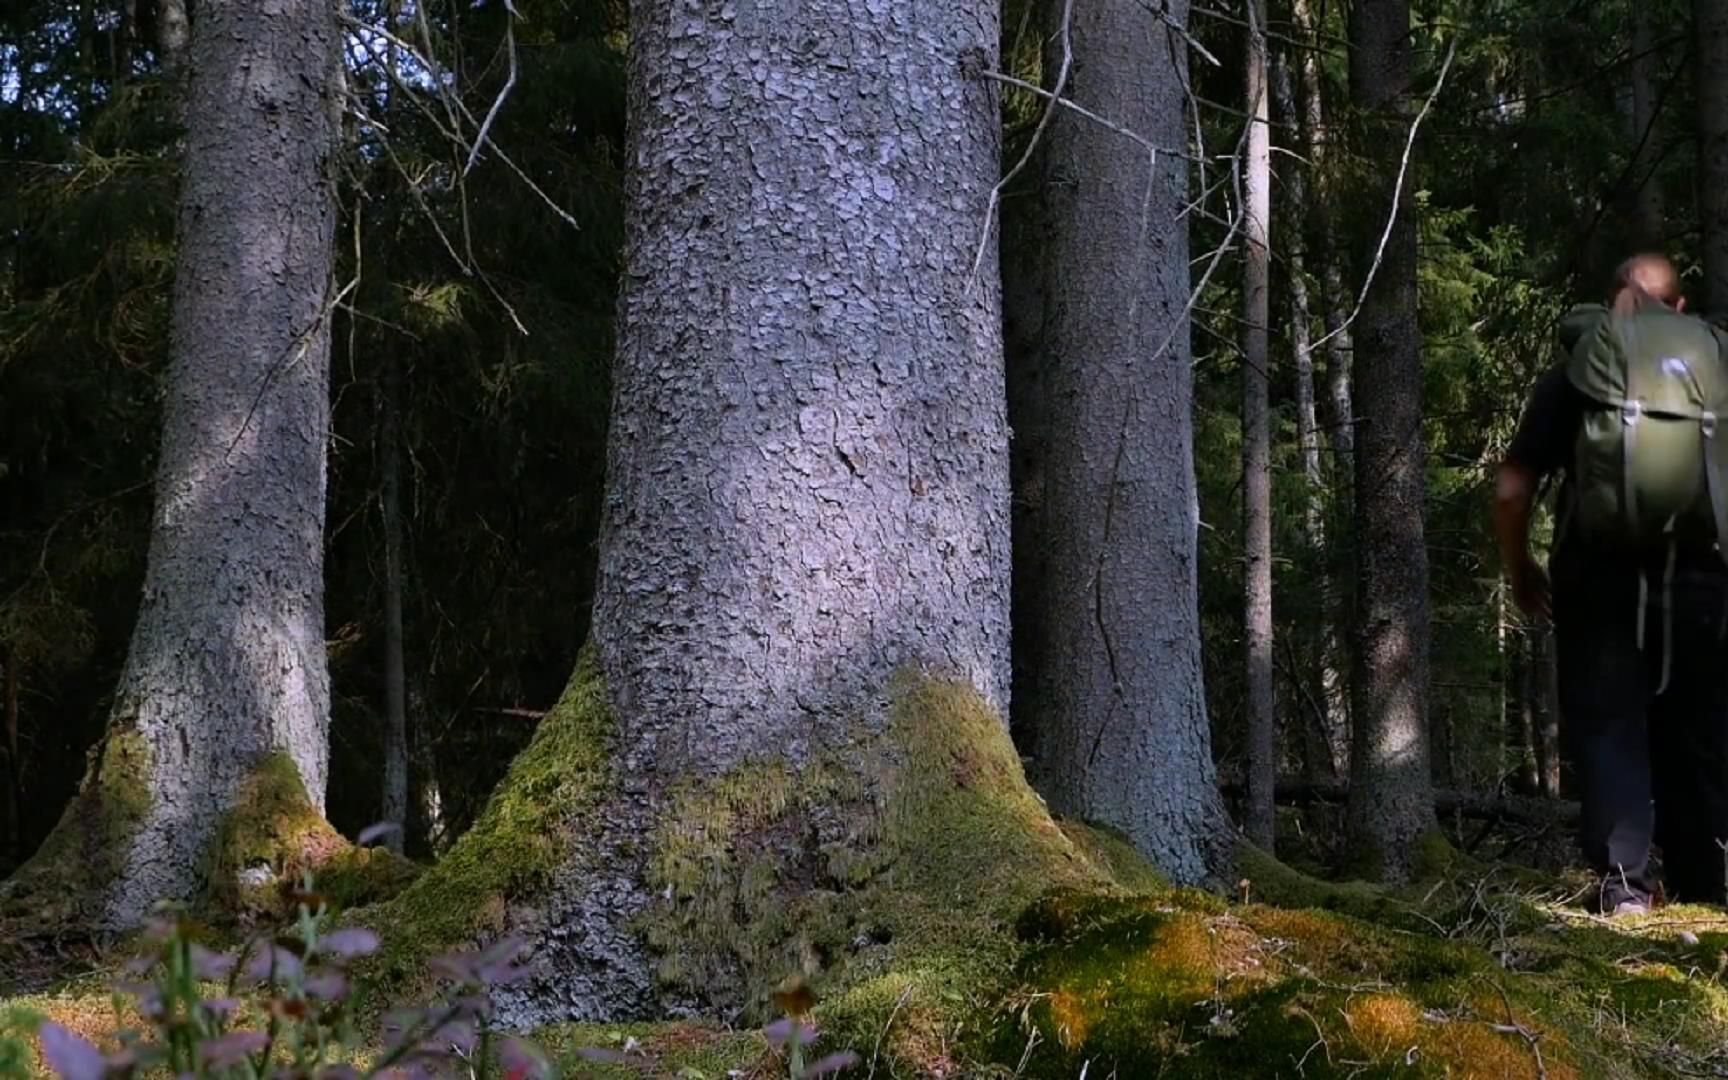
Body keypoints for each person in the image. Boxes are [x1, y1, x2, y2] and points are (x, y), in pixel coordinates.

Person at [1494, 253, 1728, 915]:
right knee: (1701, 730)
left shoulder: (1580, 368)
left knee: (1609, 727)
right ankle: (1707, 890)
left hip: (1601, 579)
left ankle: (1626, 891)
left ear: (1616, 303)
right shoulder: (1718, 367)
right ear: (1679, 309)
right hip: (1706, 579)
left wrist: (1521, 569)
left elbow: (1513, 489)